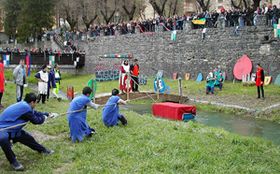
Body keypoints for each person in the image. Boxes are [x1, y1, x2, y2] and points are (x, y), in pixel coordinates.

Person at [0, 93, 54, 171]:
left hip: (13, 129)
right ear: (32, 102)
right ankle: (14, 162)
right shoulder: (25, 108)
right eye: (36, 102)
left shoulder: (24, 105)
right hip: (2, 129)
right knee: (3, 140)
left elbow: (35, 113)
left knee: (28, 138)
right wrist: (44, 118)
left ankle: (43, 150)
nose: (36, 104)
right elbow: (36, 121)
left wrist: (47, 114)